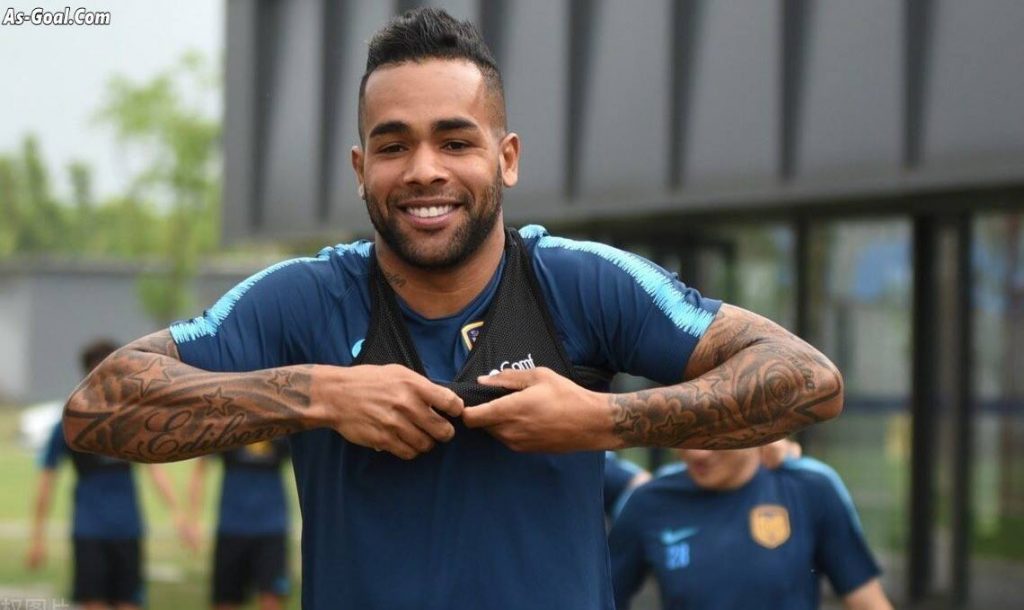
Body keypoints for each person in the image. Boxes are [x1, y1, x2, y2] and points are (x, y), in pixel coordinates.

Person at [62, 9, 845, 609]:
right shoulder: (305, 298)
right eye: (393, 145)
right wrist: (320, 394)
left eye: (456, 141)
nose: (424, 170)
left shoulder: (580, 283)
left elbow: (807, 380)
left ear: (507, 158)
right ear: (361, 169)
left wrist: (602, 419)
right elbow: (100, 408)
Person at [608, 446, 893, 610]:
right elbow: (602, 599)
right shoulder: (649, 502)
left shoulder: (809, 487)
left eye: (714, 433)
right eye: (686, 431)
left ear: (751, 420)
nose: (697, 452)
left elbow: (868, 601)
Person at [27, 339, 195, 610]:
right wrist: (38, 537)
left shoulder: (131, 422)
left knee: (129, 602)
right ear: (87, 375)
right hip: (89, 530)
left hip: (128, 528)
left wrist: (178, 516)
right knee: (93, 603)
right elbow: (47, 480)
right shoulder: (70, 424)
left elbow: (155, 471)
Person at [186, 439, 292, 610]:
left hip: (271, 527)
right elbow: (201, 466)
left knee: (271, 599)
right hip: (231, 526)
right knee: (225, 601)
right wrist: (193, 519)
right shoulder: (228, 426)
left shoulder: (281, 427)